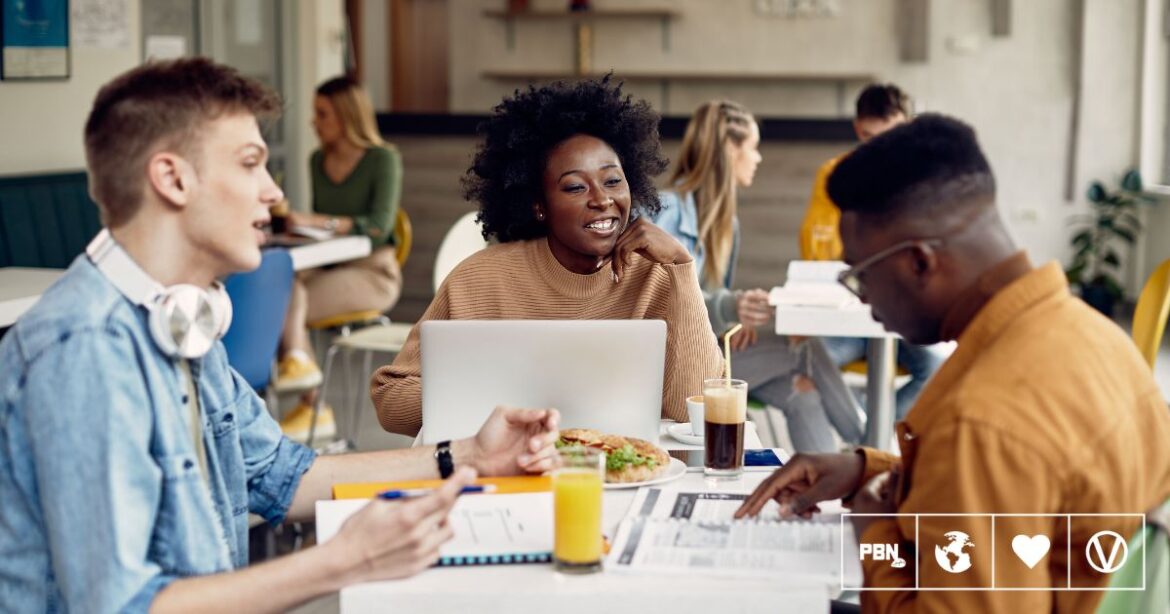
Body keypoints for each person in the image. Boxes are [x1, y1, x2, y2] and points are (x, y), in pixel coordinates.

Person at [0, 58, 560, 612]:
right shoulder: (85, 351)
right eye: (250, 164)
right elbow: (121, 605)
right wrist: (345, 561)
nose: (272, 193)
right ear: (173, 179)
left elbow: (281, 477)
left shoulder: (182, 325)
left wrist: (469, 456)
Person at [736, 114, 1170, 612]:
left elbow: (989, 457)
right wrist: (866, 469)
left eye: (860, 276)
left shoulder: (982, 417)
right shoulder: (1094, 335)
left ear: (920, 262)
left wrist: (874, 531)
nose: (863, 299)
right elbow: (1016, 494)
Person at [371, 77, 723, 436]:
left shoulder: (659, 275)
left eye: (613, 181)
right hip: (509, 479)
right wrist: (505, 400)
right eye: (575, 186)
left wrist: (682, 268)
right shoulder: (478, 279)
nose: (602, 199)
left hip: (627, 473)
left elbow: (697, 411)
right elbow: (391, 400)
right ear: (539, 206)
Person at [653, 100, 864, 453]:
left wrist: (737, 316)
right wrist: (731, 306)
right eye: (753, 147)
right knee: (805, 348)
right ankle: (871, 449)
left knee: (803, 394)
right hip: (677, 368)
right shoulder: (666, 211)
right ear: (731, 150)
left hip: (717, 355)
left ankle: (815, 496)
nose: (758, 158)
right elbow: (658, 299)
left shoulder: (726, 227)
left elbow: (713, 299)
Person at [800, 83, 945, 420]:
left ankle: (871, 429)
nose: (879, 146)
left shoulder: (927, 180)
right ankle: (864, 433)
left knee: (938, 367)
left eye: (889, 135)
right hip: (846, 316)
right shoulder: (836, 176)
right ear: (857, 129)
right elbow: (818, 252)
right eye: (869, 135)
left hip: (904, 321)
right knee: (806, 364)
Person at [275, 76, 405, 442]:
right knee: (281, 286)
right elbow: (330, 231)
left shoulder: (383, 160)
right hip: (331, 265)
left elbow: (378, 227)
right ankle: (310, 403)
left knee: (281, 307)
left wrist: (313, 221)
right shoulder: (318, 160)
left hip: (373, 273)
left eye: (323, 114)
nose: (314, 122)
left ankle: (312, 406)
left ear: (347, 117)